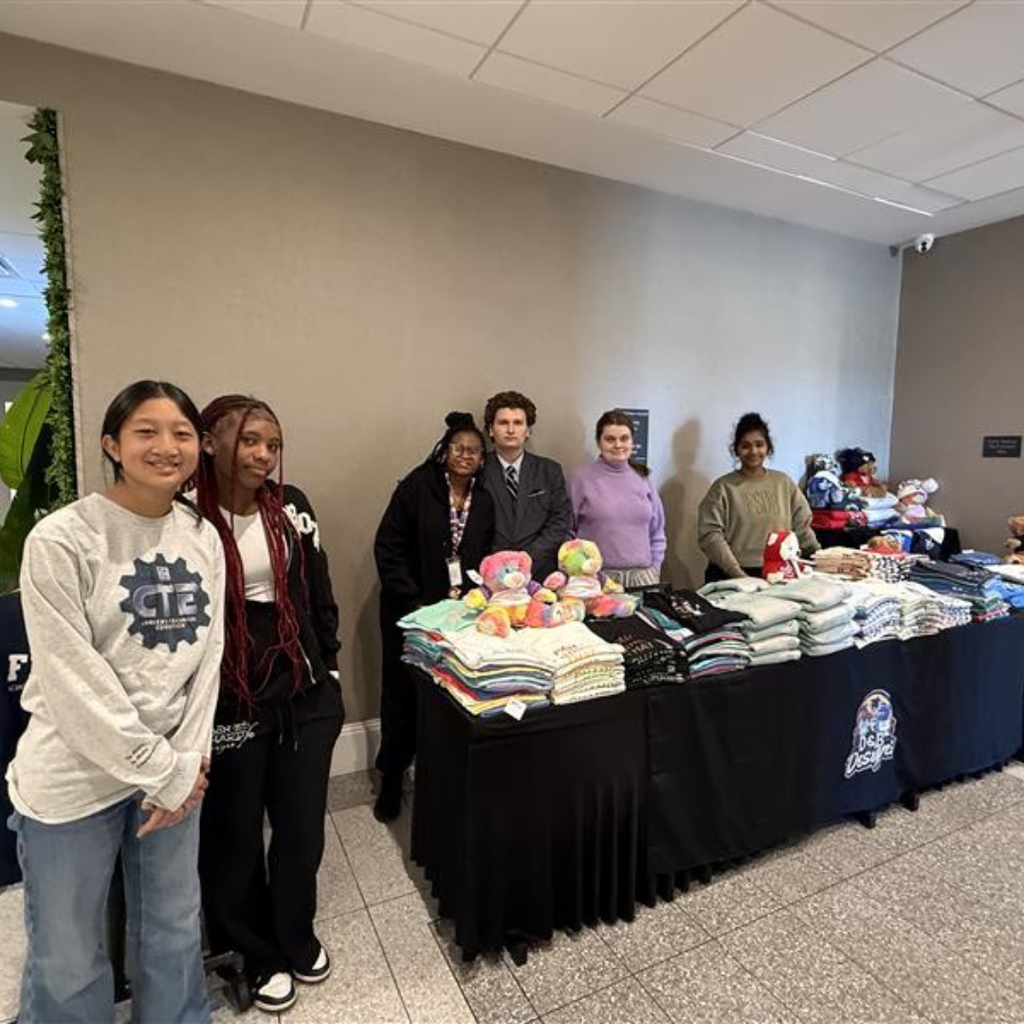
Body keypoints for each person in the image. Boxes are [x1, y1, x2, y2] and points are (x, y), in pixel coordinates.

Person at [6, 380, 225, 1024]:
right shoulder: (62, 539)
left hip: (174, 776)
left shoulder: (201, 535)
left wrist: (185, 764)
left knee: (174, 932)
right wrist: (164, 769)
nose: (167, 446)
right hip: (76, 777)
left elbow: (205, 662)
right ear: (112, 444)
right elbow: (74, 682)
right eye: (146, 432)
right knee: (68, 958)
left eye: (182, 433)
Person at [193, 395, 343, 1014]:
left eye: (273, 444)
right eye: (250, 440)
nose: (263, 455)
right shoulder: (184, 519)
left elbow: (318, 588)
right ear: (209, 442)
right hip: (231, 702)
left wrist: (329, 664)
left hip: (304, 693)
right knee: (232, 835)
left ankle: (294, 932)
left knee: (302, 829)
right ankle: (254, 951)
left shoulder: (292, 507)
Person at [373, 412, 494, 822]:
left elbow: (487, 559)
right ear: (444, 452)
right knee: (401, 697)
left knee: (446, 700)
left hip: (458, 618)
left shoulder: (486, 500)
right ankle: (391, 778)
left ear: (482, 459)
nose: (465, 456)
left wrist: (476, 600)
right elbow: (387, 548)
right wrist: (415, 602)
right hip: (411, 616)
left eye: (474, 451)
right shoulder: (416, 488)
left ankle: (434, 779)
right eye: (458, 448)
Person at [698, 411, 818, 583]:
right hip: (730, 576)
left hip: (779, 573)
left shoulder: (783, 483)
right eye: (745, 445)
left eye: (759, 444)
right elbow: (710, 536)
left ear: (768, 448)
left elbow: (802, 527)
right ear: (736, 450)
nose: (753, 451)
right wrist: (739, 576)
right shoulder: (722, 488)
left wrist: (820, 558)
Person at [568, 409, 666, 588]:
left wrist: (654, 568)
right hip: (597, 579)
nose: (618, 445)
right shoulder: (580, 480)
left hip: (643, 578)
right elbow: (567, 532)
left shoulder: (643, 479)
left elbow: (657, 532)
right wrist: (581, 573)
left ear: (632, 441)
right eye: (610, 439)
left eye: (624, 438)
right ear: (599, 442)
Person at [481, 390, 570, 580]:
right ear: (490, 429)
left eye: (518, 423)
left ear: (528, 430)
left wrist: (527, 558)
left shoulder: (550, 470)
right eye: (503, 423)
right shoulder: (478, 471)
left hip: (540, 573)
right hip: (491, 574)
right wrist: (500, 563)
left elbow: (559, 521)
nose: (511, 430)